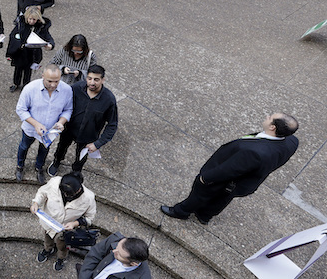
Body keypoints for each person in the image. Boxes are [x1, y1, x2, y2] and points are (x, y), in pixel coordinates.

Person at [161, 113, 299, 225]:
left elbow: (228, 170)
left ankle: (181, 211)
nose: (267, 116)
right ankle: (204, 216)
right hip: (246, 183)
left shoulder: (255, 152)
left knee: (201, 193)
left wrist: (205, 178)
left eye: (270, 117)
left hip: (228, 180)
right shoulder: (292, 141)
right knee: (223, 198)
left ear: (273, 127)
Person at [48, 64, 117, 175]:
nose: (92, 82)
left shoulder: (109, 100)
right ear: (86, 78)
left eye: (96, 79)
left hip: (88, 136)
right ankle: (56, 162)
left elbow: (112, 124)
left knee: (81, 157)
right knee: (61, 147)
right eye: (89, 78)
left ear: (103, 80)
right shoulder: (76, 88)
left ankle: (76, 170)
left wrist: (98, 143)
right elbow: (63, 105)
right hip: (69, 130)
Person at [14, 64, 71, 183]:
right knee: (24, 146)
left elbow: (68, 109)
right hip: (30, 129)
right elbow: (21, 109)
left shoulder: (67, 90)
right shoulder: (30, 88)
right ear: (42, 76)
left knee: (44, 150)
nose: (53, 85)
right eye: (50, 81)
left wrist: (61, 122)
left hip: (50, 131)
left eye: (57, 81)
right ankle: (20, 166)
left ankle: (39, 167)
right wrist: (35, 124)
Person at [31, 171, 96, 272]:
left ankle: (61, 258)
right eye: (63, 192)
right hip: (49, 223)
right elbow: (42, 192)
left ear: (78, 190)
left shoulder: (89, 198)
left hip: (66, 230)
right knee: (47, 238)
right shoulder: (54, 182)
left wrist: (74, 223)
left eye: (68, 194)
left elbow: (90, 218)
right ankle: (48, 249)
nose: (66, 195)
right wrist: (36, 203)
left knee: (63, 246)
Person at [8, 6, 55, 94]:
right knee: (18, 69)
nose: (32, 21)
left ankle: (26, 86)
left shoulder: (41, 27)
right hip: (20, 51)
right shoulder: (21, 24)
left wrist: (50, 45)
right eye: (30, 19)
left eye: (34, 19)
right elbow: (13, 36)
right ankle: (16, 83)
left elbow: (48, 36)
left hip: (32, 53)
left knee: (28, 71)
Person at [78, 233, 151, 279]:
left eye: (119, 254)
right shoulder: (115, 239)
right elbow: (94, 254)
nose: (114, 251)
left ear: (133, 263)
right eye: (116, 247)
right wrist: (85, 275)